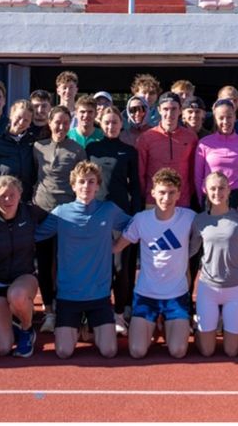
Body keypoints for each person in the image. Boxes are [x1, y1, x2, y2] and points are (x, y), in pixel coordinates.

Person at [35, 161, 132, 359]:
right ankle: (80, 326)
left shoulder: (109, 210)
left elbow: (136, 226)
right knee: (63, 352)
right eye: (81, 182)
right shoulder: (61, 213)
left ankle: (89, 325)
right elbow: (34, 235)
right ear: (73, 186)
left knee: (109, 351)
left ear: (98, 186)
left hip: (99, 296)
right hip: (68, 296)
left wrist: (118, 245)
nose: (86, 186)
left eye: (91, 182)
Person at [114, 168, 196, 359]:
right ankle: (157, 323)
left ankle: (166, 323)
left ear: (179, 194)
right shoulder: (141, 219)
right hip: (146, 295)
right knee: (137, 351)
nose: (166, 198)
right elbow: (116, 247)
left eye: (171, 192)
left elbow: (215, 220)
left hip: (176, 296)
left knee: (177, 351)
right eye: (162, 192)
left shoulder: (190, 217)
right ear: (153, 193)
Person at [85, 106, 144, 334]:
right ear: (101, 123)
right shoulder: (92, 149)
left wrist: (135, 215)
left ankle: (119, 314)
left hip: (121, 217)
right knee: (98, 268)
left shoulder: (129, 151)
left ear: (121, 124)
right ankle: (95, 313)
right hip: (96, 216)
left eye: (115, 122)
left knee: (121, 268)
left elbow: (135, 186)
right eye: (107, 122)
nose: (111, 126)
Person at [190, 172, 238, 357]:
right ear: (206, 191)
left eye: (222, 188)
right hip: (208, 289)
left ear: (229, 190)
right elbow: (191, 251)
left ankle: (236, 331)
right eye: (213, 189)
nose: (217, 193)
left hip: (235, 290)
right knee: (207, 351)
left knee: (231, 351)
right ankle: (202, 329)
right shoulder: (199, 220)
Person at [0, 175, 44, 358]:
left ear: (20, 194)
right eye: (2, 196)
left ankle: (27, 330)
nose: (7, 199)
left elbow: (56, 225)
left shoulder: (31, 213)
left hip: (23, 277)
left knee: (17, 295)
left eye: (12, 194)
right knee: (2, 349)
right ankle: (10, 322)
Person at [32, 105, 87, 332]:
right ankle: (49, 311)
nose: (61, 127)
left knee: (66, 264)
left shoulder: (77, 150)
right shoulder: (38, 147)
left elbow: (82, 183)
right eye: (57, 122)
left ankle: (66, 309)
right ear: (50, 122)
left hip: (67, 215)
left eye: (65, 122)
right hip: (42, 212)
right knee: (44, 264)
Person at [137, 93, 198, 210]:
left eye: (174, 109)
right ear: (159, 110)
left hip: (182, 200)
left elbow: (193, 170)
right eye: (165, 109)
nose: (169, 114)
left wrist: (188, 193)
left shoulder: (191, 137)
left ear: (180, 110)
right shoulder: (146, 137)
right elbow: (141, 172)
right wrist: (147, 194)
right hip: (154, 200)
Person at [195, 99, 238, 208]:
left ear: (235, 117)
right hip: (212, 196)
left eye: (229, 117)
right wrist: (201, 201)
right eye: (221, 118)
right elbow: (198, 175)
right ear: (215, 119)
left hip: (236, 198)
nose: (225, 121)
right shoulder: (204, 143)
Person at [0, 99, 37, 205]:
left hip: (25, 201)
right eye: (18, 117)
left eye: (26, 120)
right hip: (2, 199)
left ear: (30, 123)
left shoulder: (33, 143)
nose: (21, 122)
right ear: (11, 116)